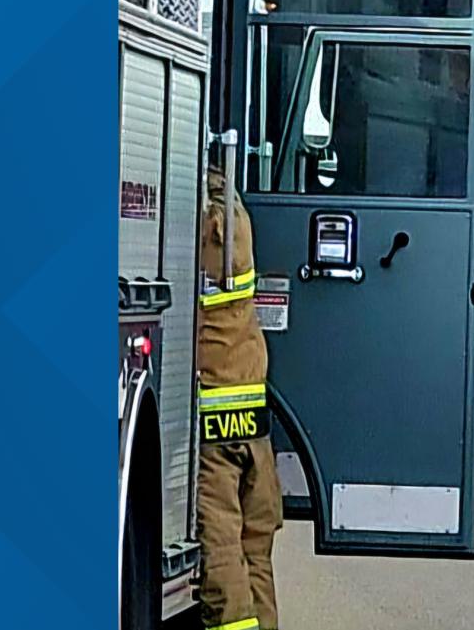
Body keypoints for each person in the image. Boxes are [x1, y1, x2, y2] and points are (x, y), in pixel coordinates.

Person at [195, 163, 282, 630]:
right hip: (252, 425)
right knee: (255, 554)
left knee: (223, 550)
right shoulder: (234, 216)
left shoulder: (206, 224)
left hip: (215, 427)